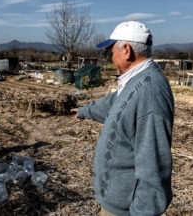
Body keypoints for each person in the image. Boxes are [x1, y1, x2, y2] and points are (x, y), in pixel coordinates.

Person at [70, 20, 174, 215]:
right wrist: (85, 111)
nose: (111, 57)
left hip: (127, 210)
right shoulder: (136, 81)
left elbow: (153, 166)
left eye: (112, 51)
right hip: (115, 203)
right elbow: (114, 104)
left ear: (126, 50)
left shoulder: (150, 93)